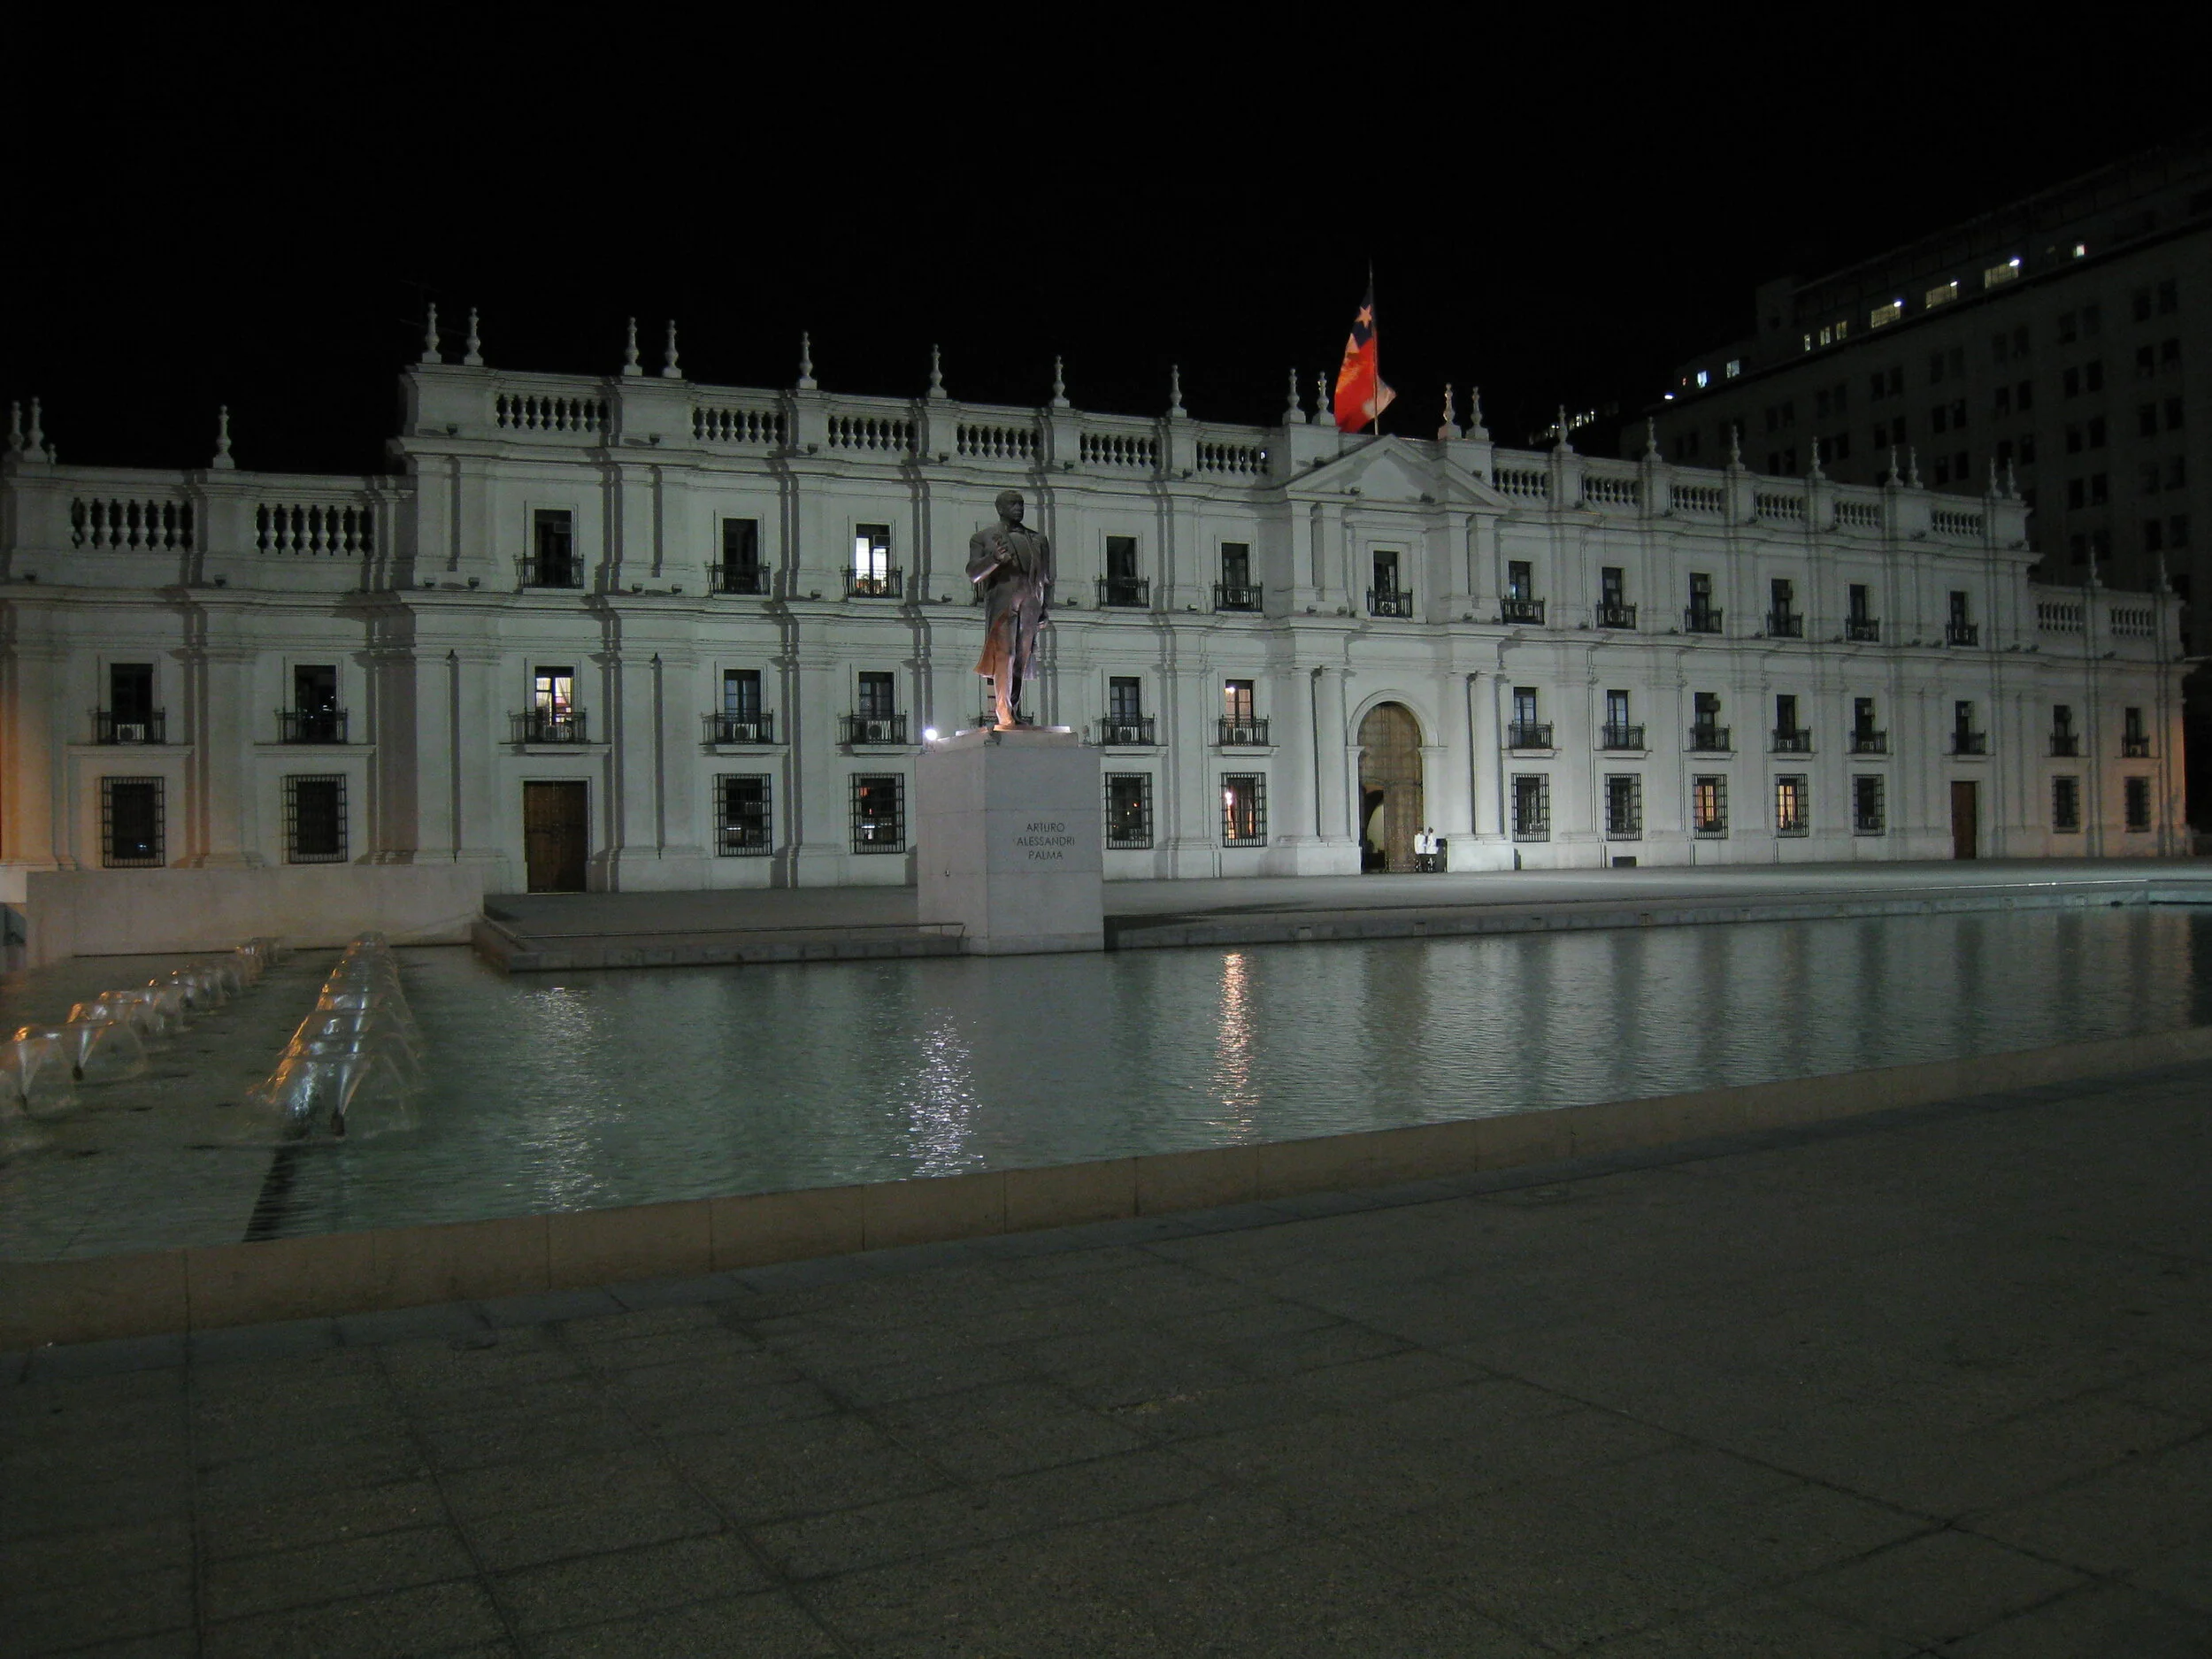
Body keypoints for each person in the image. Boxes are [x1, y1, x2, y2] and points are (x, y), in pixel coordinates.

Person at [966, 490, 1053, 730]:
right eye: (1012, 504)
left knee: (1021, 659)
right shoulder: (983, 537)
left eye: (1021, 504)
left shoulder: (1039, 540)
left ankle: (1012, 709)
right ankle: (1003, 711)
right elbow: (973, 573)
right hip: (1003, 602)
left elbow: (1046, 577)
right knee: (1006, 654)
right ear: (1000, 508)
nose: (1018, 508)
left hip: (1031, 602)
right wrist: (993, 559)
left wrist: (1044, 607)